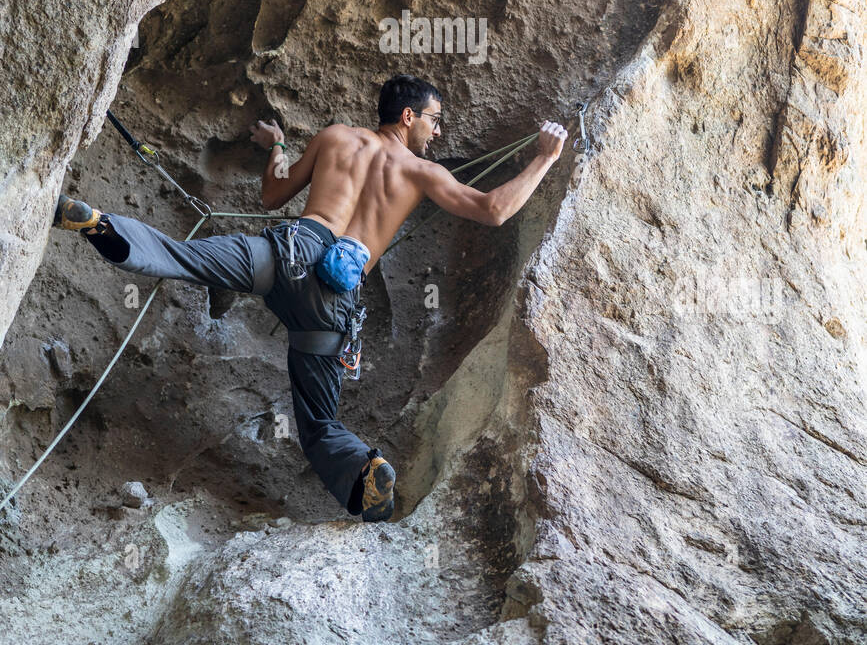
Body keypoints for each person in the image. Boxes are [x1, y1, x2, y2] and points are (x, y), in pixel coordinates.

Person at [53, 75, 568, 522]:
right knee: (319, 422)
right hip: (332, 300)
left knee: (185, 259)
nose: (438, 131)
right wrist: (545, 158)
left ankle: (100, 224)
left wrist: (276, 146)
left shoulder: (336, 137)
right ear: (408, 117)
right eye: (434, 120)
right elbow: (495, 209)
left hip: (287, 253)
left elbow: (273, 196)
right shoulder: (421, 173)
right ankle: (367, 473)